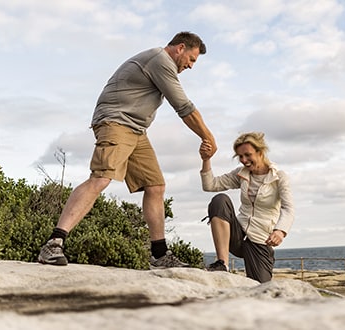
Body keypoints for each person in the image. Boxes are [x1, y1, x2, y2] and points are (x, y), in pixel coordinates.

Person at [38, 31, 217, 268]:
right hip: (116, 123)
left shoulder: (160, 63)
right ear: (180, 48)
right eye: (192, 59)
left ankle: (159, 255)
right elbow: (184, 107)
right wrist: (208, 137)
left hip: (136, 130)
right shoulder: (160, 60)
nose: (191, 66)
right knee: (101, 179)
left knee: (155, 186)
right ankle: (53, 243)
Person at [199, 132, 294, 282]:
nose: (244, 160)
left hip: (260, 240)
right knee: (220, 200)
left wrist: (280, 231)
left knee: (262, 289)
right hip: (237, 234)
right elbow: (210, 185)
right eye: (240, 156)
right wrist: (206, 159)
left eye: (247, 155)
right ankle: (221, 264)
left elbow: (288, 208)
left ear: (260, 152)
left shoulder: (279, 177)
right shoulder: (241, 174)